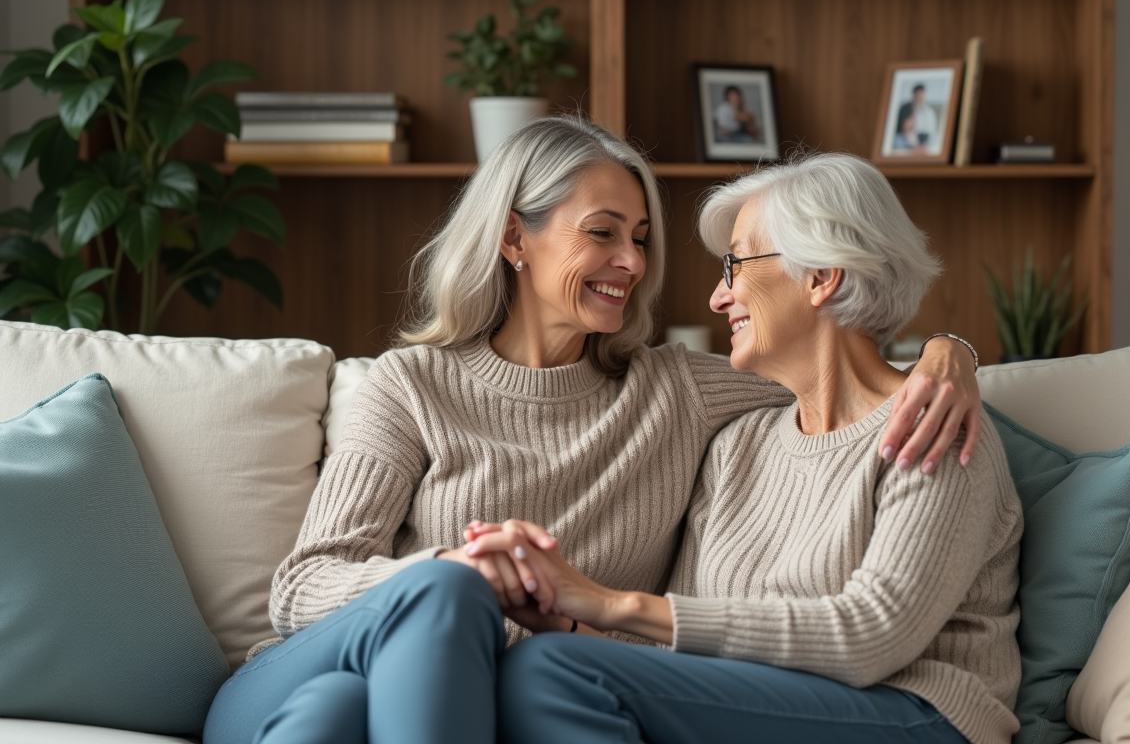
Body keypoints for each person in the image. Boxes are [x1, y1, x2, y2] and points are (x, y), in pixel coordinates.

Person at [202, 118, 983, 744]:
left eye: (640, 237)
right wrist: (453, 568)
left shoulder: (679, 394)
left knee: (337, 717)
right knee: (437, 599)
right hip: (305, 668)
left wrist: (953, 354)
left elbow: (837, 368)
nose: (633, 262)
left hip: (433, 705)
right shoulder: (408, 385)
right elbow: (301, 588)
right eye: (603, 233)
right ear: (515, 239)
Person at [486, 153, 1022, 744]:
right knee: (534, 666)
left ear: (821, 275)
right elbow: (676, 660)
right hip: (764, 711)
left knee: (546, 671)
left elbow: (872, 635)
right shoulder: (737, 448)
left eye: (734, 265)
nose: (718, 298)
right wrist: (562, 619)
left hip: (916, 714)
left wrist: (606, 603)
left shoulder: (934, 425)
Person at [896, 83, 939, 152]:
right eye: (917, 95)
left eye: (921, 95)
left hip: (925, 143)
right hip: (907, 142)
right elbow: (905, 129)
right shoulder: (905, 108)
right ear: (913, 95)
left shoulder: (929, 112)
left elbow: (932, 133)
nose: (919, 97)